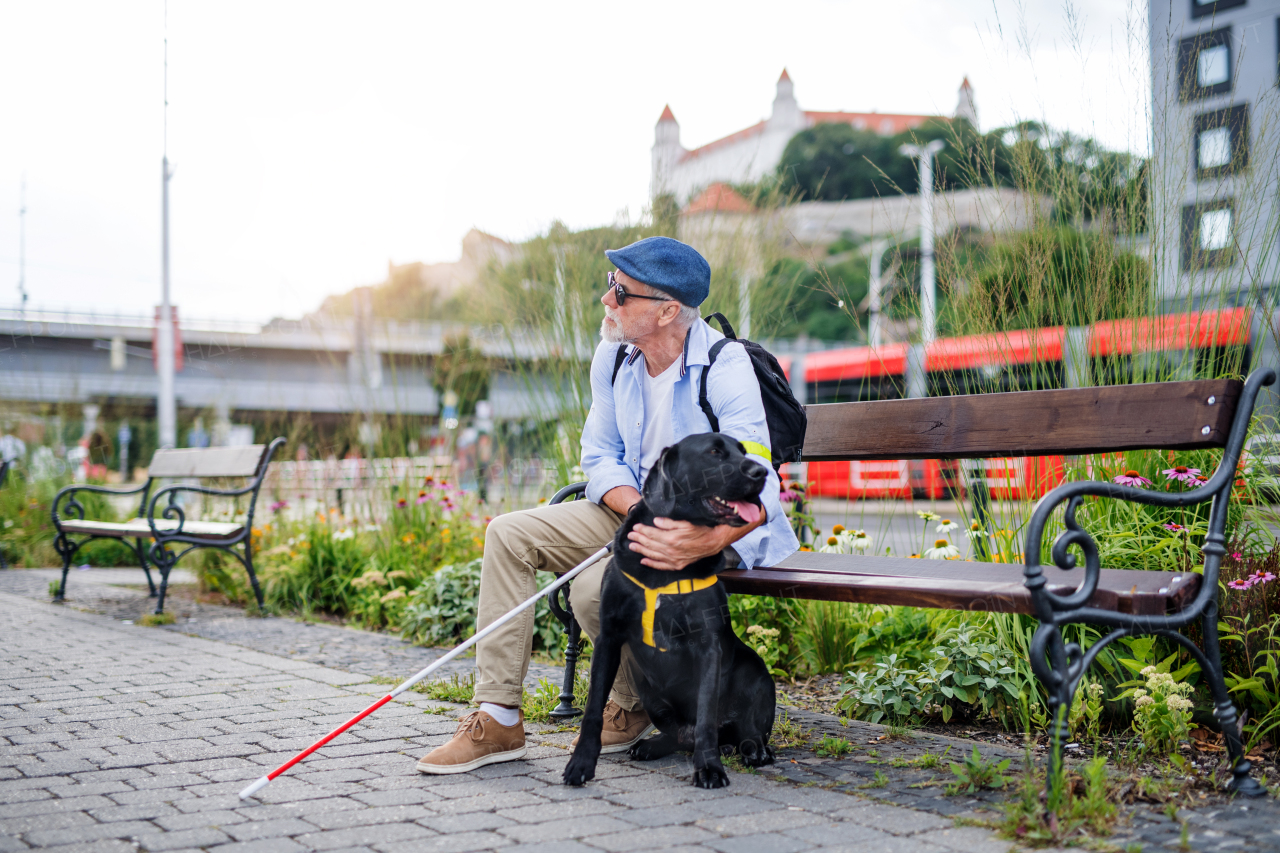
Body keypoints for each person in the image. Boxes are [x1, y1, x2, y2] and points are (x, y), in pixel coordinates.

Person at [416, 236, 799, 774]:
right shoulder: (615, 354)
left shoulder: (724, 363)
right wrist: (644, 512)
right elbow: (600, 455)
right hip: (635, 508)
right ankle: (498, 717)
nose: (606, 300)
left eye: (621, 292)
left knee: (595, 590)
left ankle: (632, 701)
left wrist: (706, 536)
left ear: (668, 311)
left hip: (716, 524)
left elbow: (755, 468)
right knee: (508, 531)